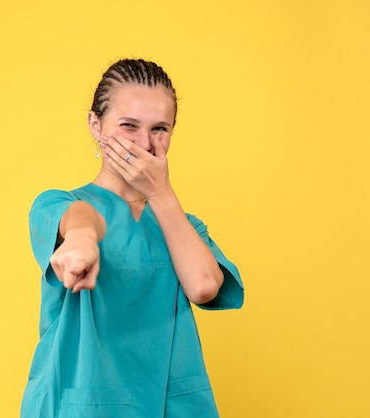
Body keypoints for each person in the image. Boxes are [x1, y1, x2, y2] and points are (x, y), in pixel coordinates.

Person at [20, 58, 244, 418]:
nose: (145, 143)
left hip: (176, 407)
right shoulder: (62, 205)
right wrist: (80, 239)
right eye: (128, 126)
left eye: (160, 129)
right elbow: (81, 219)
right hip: (81, 404)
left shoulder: (183, 226)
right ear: (95, 125)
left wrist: (161, 193)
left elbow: (204, 286)